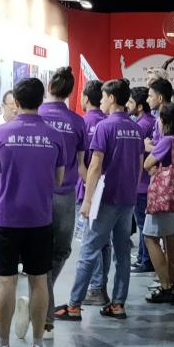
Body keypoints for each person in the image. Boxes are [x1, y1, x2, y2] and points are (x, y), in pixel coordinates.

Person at [0, 77, 66, 347]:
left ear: (17, 102)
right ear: (41, 101)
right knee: (38, 281)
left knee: (6, 282)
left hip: (4, 218)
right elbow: (58, 180)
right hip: (39, 218)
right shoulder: (54, 135)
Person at [58, 79, 146, 320]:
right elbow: (139, 166)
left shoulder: (105, 127)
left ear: (113, 99)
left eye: (105, 97)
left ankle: (74, 305)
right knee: (122, 253)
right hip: (127, 199)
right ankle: (118, 304)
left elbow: (95, 166)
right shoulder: (136, 129)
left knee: (88, 250)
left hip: (106, 199)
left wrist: (87, 200)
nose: (102, 101)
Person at [38, 66, 88, 337]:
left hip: (37, 193)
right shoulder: (77, 122)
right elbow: (81, 165)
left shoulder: (36, 115)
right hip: (66, 194)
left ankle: (41, 294)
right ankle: (44, 306)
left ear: (49, 86)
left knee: (40, 254)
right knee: (60, 250)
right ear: (70, 92)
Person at [142, 102, 174, 303]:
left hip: (163, 196)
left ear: (165, 121)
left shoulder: (167, 141)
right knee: (172, 239)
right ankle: (172, 284)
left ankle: (165, 285)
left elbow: (147, 163)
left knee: (150, 237)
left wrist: (148, 148)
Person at [77, 79, 110, 305]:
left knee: (90, 241)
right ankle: (101, 286)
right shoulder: (107, 122)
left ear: (86, 98)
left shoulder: (82, 123)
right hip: (106, 190)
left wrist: (90, 188)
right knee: (104, 242)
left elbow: (81, 163)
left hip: (89, 191)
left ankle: (96, 288)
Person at [129, 86, 157, 273]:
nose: (127, 105)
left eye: (131, 102)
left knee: (143, 224)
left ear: (139, 106)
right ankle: (142, 257)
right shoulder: (151, 121)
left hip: (142, 183)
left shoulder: (141, 125)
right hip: (147, 182)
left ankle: (146, 260)